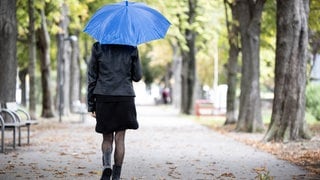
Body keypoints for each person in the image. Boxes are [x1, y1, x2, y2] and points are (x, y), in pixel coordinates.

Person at [87, 42, 142, 180]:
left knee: (107, 137)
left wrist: (91, 104)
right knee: (120, 138)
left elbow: (92, 76)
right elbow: (137, 76)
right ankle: (116, 176)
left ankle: (106, 166)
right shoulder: (131, 47)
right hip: (125, 96)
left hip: (103, 96)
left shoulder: (98, 47)